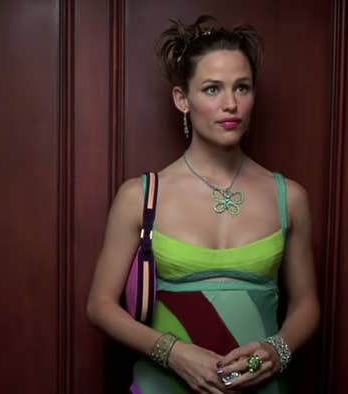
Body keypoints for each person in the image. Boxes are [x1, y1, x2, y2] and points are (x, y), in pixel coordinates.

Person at [87, 16, 320, 393]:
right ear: (182, 99)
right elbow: (100, 305)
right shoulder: (141, 197)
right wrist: (174, 353)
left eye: (241, 88)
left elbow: (307, 304)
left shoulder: (289, 197)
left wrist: (274, 351)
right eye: (212, 89)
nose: (231, 104)